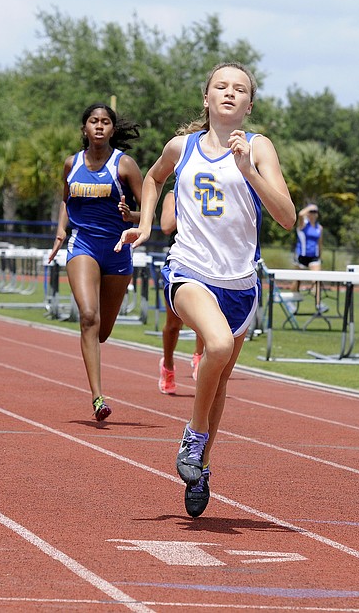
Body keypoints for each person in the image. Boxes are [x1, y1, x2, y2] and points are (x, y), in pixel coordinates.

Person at [116, 61, 295, 517]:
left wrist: (249, 171)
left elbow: (287, 217)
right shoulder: (183, 147)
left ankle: (202, 467)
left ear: (249, 104)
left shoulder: (259, 148)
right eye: (221, 86)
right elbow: (153, 178)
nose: (230, 93)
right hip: (190, 271)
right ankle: (193, 438)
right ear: (207, 97)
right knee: (215, 345)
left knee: (218, 382)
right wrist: (146, 224)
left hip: (240, 283)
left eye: (240, 89)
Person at [47, 103, 143, 422]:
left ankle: (95, 348)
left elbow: (150, 213)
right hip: (83, 245)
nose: (99, 126)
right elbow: (66, 200)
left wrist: (132, 216)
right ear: (85, 128)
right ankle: (98, 397)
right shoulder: (72, 164)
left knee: (101, 331)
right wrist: (61, 230)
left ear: (112, 129)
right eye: (93, 121)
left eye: (105, 122)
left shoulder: (124, 165)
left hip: (116, 249)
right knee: (89, 317)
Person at [157, 189, 205, 394]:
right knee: (174, 324)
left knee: (205, 317)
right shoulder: (173, 195)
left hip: (206, 260)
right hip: (180, 262)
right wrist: (189, 203)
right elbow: (166, 226)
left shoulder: (211, 189)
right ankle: (167, 366)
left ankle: (199, 357)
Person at [292, 203, 325, 311]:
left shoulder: (319, 228)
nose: (313, 214)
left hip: (313, 257)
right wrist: (310, 207)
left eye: (315, 212)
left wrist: (320, 256)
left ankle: (318, 304)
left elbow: (320, 243)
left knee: (317, 279)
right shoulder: (303, 224)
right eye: (311, 212)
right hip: (302, 256)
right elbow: (300, 214)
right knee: (297, 281)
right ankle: (292, 303)